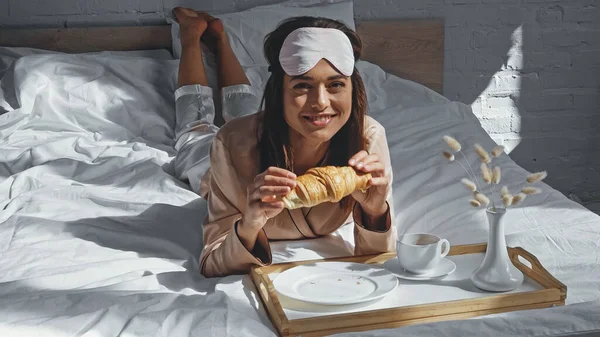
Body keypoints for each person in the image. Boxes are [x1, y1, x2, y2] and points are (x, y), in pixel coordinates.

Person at [171, 8, 396, 278]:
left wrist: (375, 211)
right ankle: (191, 37)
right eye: (302, 86)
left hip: (270, 124)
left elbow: (380, 261)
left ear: (353, 90)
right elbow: (212, 262)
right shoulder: (229, 146)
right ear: (279, 91)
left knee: (243, 112)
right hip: (212, 162)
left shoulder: (367, 139)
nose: (321, 103)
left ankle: (220, 40)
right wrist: (249, 225)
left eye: (335, 85)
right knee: (196, 128)